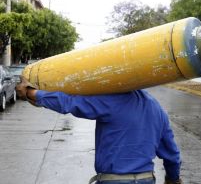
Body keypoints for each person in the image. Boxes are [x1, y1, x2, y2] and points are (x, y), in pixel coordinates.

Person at [16, 76, 182, 184]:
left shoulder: (112, 99)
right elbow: (172, 155)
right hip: (147, 180)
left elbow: (69, 102)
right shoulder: (157, 109)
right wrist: (172, 179)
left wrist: (33, 93)